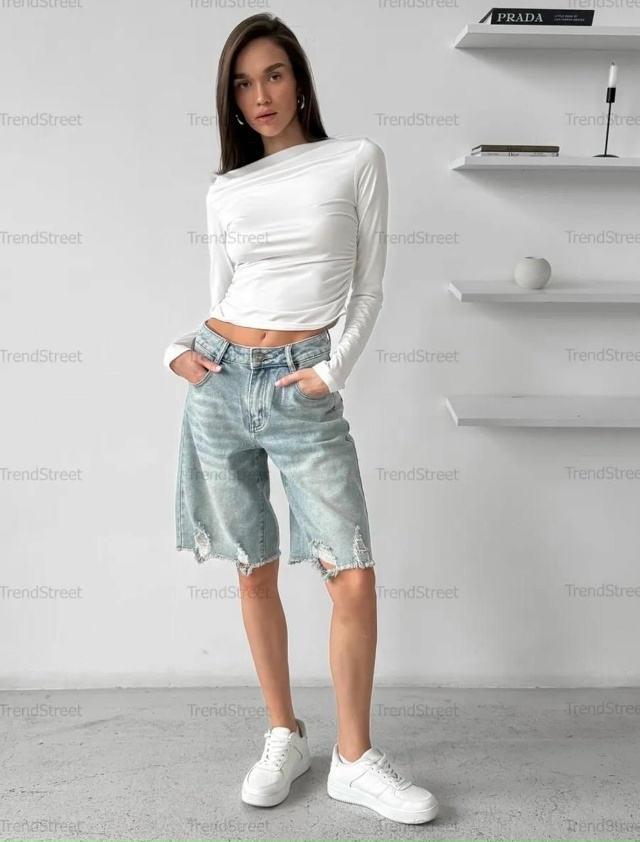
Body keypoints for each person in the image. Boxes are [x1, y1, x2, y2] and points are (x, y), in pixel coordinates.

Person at [164, 12, 439, 826]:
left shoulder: (355, 159)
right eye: (244, 84)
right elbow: (224, 298)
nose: (261, 95)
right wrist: (176, 351)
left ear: (300, 80)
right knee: (253, 567)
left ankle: (354, 759)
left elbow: (369, 288)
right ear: (231, 98)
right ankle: (283, 733)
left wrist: (330, 371)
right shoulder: (226, 189)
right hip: (219, 382)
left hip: (300, 386)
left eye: (274, 74)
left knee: (349, 572)